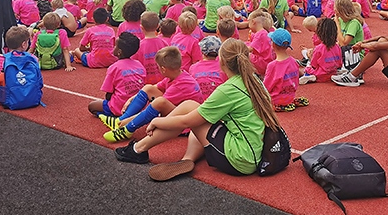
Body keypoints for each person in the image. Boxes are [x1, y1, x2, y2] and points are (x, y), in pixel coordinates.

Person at [114, 38, 282, 182]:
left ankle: (139, 149)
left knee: (191, 110)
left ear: (221, 62)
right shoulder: (254, 80)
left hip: (240, 160)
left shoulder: (228, 90)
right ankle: (188, 159)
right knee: (197, 111)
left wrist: (156, 120)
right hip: (255, 149)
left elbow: (186, 121)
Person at [100, 46, 204, 143]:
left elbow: (155, 108)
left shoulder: (180, 85)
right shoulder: (178, 75)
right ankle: (120, 120)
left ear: (163, 69)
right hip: (179, 111)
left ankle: (127, 129)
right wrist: (132, 98)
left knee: (159, 102)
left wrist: (128, 121)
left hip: (186, 124)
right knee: (148, 88)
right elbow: (154, 88)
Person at [87, 32, 146, 117]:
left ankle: (112, 116)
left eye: (115, 46)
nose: (113, 48)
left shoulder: (114, 67)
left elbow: (108, 94)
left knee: (92, 106)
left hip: (119, 106)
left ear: (119, 52)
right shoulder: (139, 65)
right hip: (137, 106)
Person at [264, 28, 308, 112]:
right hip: (290, 95)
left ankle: (279, 106)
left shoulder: (272, 66)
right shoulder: (293, 61)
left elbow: (266, 87)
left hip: (275, 99)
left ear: (273, 44)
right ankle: (289, 103)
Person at [299, 17, 342, 84]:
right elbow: (339, 63)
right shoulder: (337, 47)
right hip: (333, 73)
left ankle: (308, 75)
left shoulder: (319, 48)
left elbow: (314, 65)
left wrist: (310, 57)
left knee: (302, 69)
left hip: (320, 74)